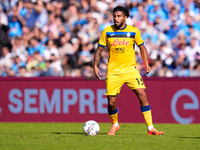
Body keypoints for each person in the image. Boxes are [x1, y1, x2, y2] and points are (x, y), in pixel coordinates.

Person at [93, 6, 164, 135]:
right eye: (114, 16)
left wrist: (145, 63)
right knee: (111, 103)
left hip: (131, 70)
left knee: (142, 94)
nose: (116, 18)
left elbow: (142, 48)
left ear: (125, 17)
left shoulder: (133, 31)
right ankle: (115, 125)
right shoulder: (107, 31)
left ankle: (150, 128)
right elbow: (99, 49)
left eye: (119, 16)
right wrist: (95, 65)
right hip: (113, 71)